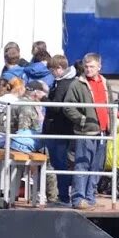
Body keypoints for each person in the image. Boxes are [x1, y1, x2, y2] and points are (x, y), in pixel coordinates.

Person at [42, 55, 89, 205]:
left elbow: (57, 107)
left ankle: (63, 196)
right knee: (58, 162)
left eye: (52, 70)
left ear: (59, 69)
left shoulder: (64, 84)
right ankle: (60, 194)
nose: (51, 73)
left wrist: (43, 99)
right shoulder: (61, 82)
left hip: (60, 130)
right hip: (58, 130)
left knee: (59, 163)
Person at [72, 53, 113, 209]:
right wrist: (82, 120)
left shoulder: (104, 83)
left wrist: (111, 126)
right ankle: (78, 199)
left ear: (99, 67)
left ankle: (90, 197)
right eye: (86, 66)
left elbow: (110, 104)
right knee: (82, 164)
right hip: (86, 132)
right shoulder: (78, 84)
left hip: (102, 131)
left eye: (92, 67)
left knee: (96, 166)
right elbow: (69, 106)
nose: (88, 69)